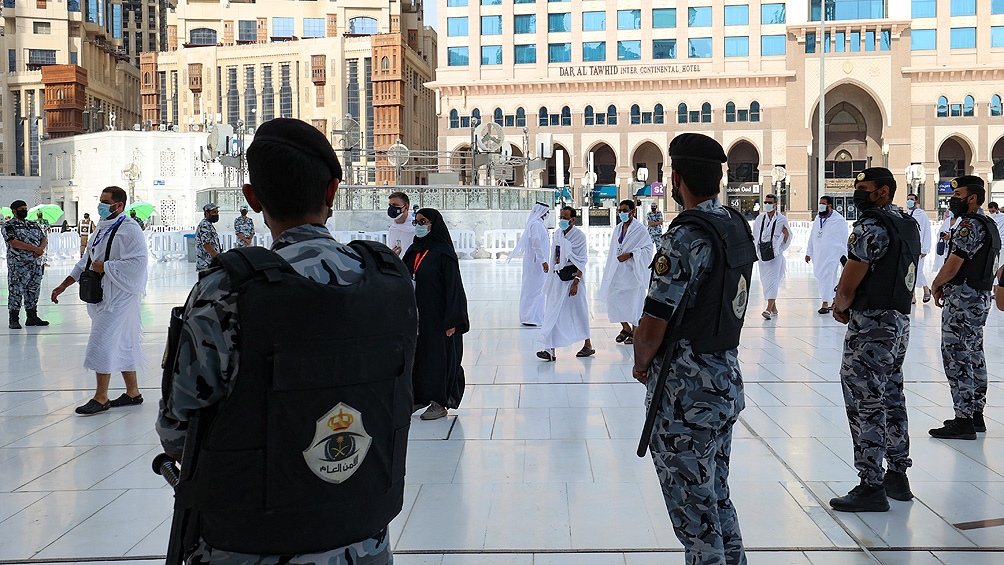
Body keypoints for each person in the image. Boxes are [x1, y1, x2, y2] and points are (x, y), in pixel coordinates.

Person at [157, 118, 416, 564]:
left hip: (248, 541)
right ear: (333, 190)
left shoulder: (227, 292)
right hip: (362, 537)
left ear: (253, 198)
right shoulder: (390, 281)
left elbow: (180, 430)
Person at [632, 133, 755, 564]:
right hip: (724, 380)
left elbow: (653, 323)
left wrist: (641, 361)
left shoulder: (683, 237)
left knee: (694, 515)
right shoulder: (735, 224)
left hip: (685, 395)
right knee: (716, 497)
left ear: (677, 176)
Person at [828, 168, 920, 512]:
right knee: (892, 396)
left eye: (864, 188)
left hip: (871, 326)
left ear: (883, 191)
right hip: (898, 321)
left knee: (864, 399)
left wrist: (840, 304)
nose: (858, 193)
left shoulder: (870, 226)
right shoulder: (907, 223)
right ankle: (898, 474)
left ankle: (871, 484)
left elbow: (851, 279)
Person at [51, 186, 149, 414]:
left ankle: (101, 397)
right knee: (123, 341)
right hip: (103, 295)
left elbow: (138, 263)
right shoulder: (102, 228)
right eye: (101, 201)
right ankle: (133, 393)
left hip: (120, 297)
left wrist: (106, 267)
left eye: (106, 202)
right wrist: (64, 284)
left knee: (101, 340)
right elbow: (86, 260)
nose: (101, 206)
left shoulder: (130, 229)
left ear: (120, 205)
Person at [929, 176, 1001, 440]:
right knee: (974, 355)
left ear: (972, 198)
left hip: (963, 298)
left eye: (958, 194)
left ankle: (963, 421)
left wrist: (936, 283)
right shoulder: (989, 224)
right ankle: (975, 414)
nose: (954, 198)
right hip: (980, 297)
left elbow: (953, 265)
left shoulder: (968, 225)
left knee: (957, 356)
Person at [404, 208, 470, 421]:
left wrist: (453, 320)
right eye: (417, 221)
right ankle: (421, 397)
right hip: (418, 316)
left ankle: (440, 401)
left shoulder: (443, 254)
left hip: (439, 317)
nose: (419, 226)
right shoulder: (414, 250)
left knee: (438, 357)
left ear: (434, 224)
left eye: (424, 222)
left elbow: (454, 288)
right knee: (420, 356)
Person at [537, 206, 593, 361]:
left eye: (566, 218)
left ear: (573, 220)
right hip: (557, 278)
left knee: (578, 311)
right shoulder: (557, 234)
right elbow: (554, 255)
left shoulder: (579, 237)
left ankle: (588, 345)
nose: (562, 220)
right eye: (561, 217)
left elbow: (582, 260)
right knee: (552, 312)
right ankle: (550, 350)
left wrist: (577, 281)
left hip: (573, 278)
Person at [599, 200, 655, 343]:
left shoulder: (640, 229)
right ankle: (625, 327)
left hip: (633, 272)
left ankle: (635, 331)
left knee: (634, 302)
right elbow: (613, 250)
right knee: (613, 299)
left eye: (625, 210)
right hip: (617, 272)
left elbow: (648, 249)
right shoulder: (618, 229)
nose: (622, 213)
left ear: (632, 211)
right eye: (620, 210)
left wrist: (631, 254)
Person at [4, 200, 49, 329]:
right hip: (18, 265)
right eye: (21, 209)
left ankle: (32, 316)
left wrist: (40, 249)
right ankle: (14, 318)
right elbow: (13, 242)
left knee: (33, 289)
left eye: (25, 208)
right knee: (16, 291)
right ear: (14, 211)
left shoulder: (33, 224)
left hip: (35, 264)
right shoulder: (9, 225)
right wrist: (34, 249)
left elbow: (43, 238)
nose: (24, 210)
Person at [507, 202, 550, 327]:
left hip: (538, 264)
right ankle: (530, 317)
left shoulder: (539, 224)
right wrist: (543, 261)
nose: (547, 214)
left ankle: (536, 316)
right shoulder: (536, 225)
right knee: (533, 290)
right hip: (536, 264)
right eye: (546, 212)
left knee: (539, 290)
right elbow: (536, 244)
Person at [805, 195, 848, 314]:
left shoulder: (838, 220)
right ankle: (834, 300)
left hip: (832, 255)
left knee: (828, 276)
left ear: (830, 205)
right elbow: (812, 236)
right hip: (819, 255)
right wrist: (809, 252)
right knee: (821, 277)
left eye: (823, 204)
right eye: (820, 203)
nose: (821, 206)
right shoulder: (818, 219)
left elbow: (843, 238)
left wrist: (843, 254)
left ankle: (825, 303)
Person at [752, 193, 790, 319]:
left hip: (775, 254)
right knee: (765, 280)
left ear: (775, 204)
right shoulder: (760, 219)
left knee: (773, 280)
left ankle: (768, 309)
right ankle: (773, 307)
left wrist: (785, 235)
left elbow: (788, 236)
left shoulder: (781, 219)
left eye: (770, 203)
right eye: (766, 202)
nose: (768, 205)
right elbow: (756, 236)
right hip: (762, 254)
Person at [905, 194, 933, 303]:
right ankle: (912, 296)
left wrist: (925, 248)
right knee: (909, 271)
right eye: (908, 199)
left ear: (916, 201)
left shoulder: (921, 214)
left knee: (918, 270)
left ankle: (926, 289)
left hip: (919, 246)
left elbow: (926, 231)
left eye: (911, 199)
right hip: (908, 247)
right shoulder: (906, 214)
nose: (909, 201)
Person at [387, 192, 415, 258]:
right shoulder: (393, 229)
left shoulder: (416, 230)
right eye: (390, 205)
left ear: (406, 207)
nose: (391, 208)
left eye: (395, 205)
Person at [195, 202, 221, 271]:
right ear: (207, 213)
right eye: (214, 212)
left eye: (217, 212)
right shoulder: (205, 225)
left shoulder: (209, 225)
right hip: (206, 264)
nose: (216, 214)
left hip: (211, 263)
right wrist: (218, 256)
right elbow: (206, 244)